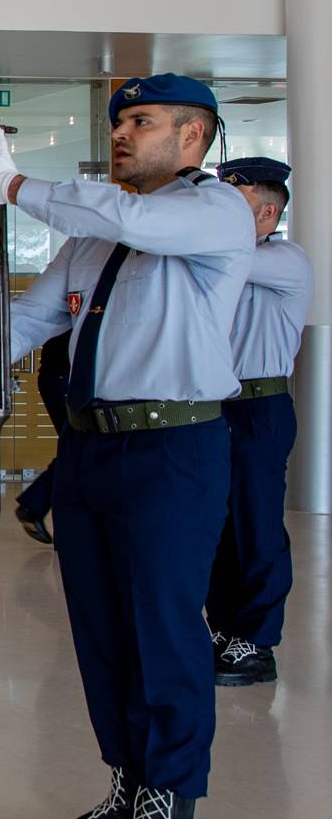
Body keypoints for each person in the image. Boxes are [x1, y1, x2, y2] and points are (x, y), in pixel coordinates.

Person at [0, 74, 252, 819]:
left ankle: (167, 790)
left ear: (191, 135)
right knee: (97, 625)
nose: (120, 133)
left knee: (161, 621)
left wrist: (18, 184)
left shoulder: (213, 209)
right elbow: (37, 311)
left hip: (171, 449)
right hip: (89, 451)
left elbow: (133, 219)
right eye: (119, 121)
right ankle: (125, 777)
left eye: (141, 121)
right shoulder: (98, 237)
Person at [208, 156, 310, 688]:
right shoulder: (225, 257)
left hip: (260, 409)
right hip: (214, 407)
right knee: (218, 526)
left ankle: (258, 641)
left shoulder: (284, 260)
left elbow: (214, 252)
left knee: (257, 524)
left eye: (236, 200)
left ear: (267, 211)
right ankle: (225, 630)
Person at [12, 330, 70, 546]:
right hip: (64, 379)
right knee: (77, 451)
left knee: (75, 452)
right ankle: (33, 505)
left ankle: (34, 505)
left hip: (58, 378)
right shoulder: (80, 303)